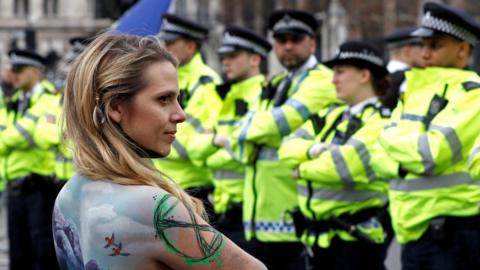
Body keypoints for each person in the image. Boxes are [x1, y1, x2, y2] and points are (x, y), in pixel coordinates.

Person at [53, 33, 266, 270]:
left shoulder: (68, 195)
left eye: (178, 98)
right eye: (164, 99)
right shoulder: (150, 206)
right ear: (115, 106)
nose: (180, 114)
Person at [217, 9, 338, 269]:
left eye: (295, 39)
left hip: (294, 209)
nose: (288, 46)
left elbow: (283, 120)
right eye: (281, 40)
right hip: (260, 213)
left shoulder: (323, 80)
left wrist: (252, 128)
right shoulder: (278, 82)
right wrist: (254, 130)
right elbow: (244, 130)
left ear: (312, 43)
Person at [371, 2, 480, 269]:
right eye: (422, 45)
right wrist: (400, 160)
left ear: (463, 49)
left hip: (454, 235)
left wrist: (392, 145)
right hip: (413, 232)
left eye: (435, 45)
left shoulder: (472, 93)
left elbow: (429, 154)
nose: (425, 53)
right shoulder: (414, 92)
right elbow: (375, 153)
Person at [278, 41, 392, 270]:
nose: (333, 79)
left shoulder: (381, 121)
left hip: (355, 244)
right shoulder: (330, 115)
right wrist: (312, 150)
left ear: (364, 75)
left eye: (340, 72)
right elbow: (286, 147)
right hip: (318, 241)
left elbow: (344, 167)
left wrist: (302, 169)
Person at [184, 26, 272, 251]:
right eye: (223, 57)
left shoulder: (263, 96)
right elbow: (193, 148)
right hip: (222, 210)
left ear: (255, 59)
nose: (225, 62)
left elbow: (247, 154)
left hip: (250, 210)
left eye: (233, 56)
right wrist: (217, 142)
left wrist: (212, 151)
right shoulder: (224, 96)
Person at [155, 14, 221, 218]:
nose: (165, 48)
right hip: (164, 184)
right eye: (164, 42)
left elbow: (191, 145)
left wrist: (151, 142)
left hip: (192, 189)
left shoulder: (205, 82)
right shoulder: (167, 78)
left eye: (171, 43)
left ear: (191, 46)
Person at [0, 49, 60, 269]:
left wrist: (8, 138)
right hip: (14, 188)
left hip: (39, 188)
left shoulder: (49, 100)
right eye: (12, 69)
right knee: (18, 254)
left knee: (41, 254)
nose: (13, 74)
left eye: (19, 70)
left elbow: (40, 136)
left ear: (35, 71)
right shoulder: (13, 101)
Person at [382, 27, 422, 110]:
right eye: (421, 47)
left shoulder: (378, 76)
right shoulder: (411, 78)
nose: (425, 53)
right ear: (407, 51)